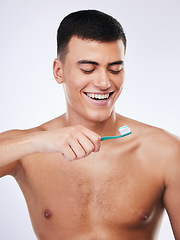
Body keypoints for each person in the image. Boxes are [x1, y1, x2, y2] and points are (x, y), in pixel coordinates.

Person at [0, 9, 180, 240]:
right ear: (58, 71)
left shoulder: (166, 152)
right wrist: (39, 140)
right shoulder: (29, 149)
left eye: (115, 68)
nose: (104, 82)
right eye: (88, 69)